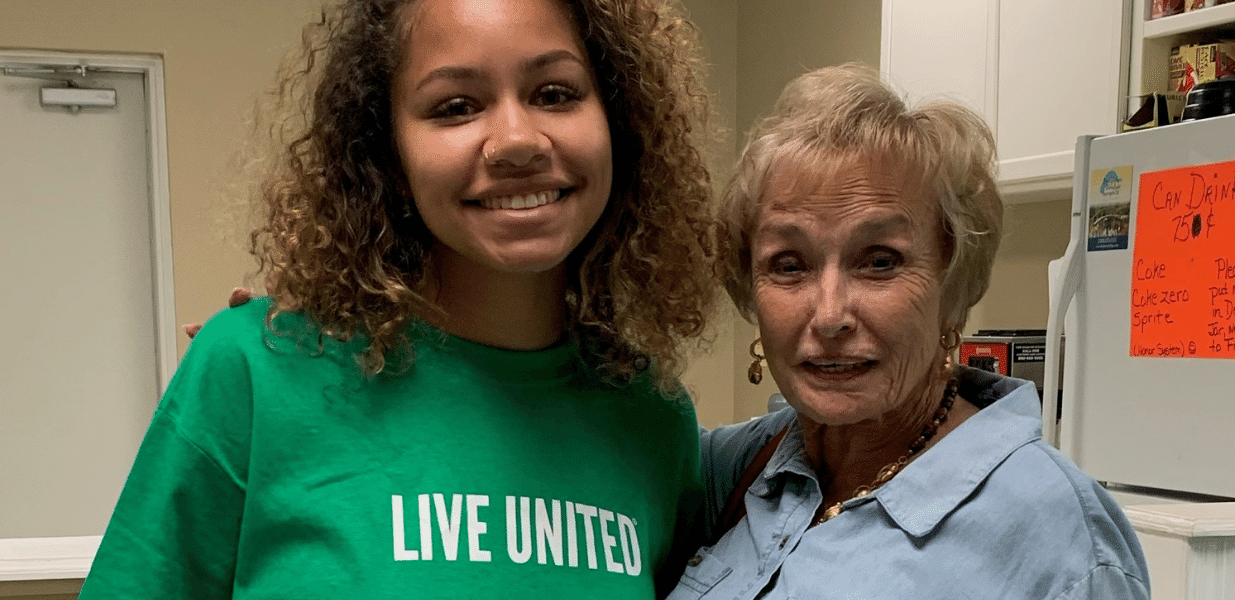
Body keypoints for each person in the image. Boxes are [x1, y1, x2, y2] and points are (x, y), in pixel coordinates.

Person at [80, 0, 718, 597]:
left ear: (618, 122)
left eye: (555, 94)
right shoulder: (252, 368)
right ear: (386, 152)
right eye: (455, 107)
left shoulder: (654, 422)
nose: (517, 140)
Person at [670, 64, 1149, 599]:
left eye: (878, 261)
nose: (830, 316)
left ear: (953, 278)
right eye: (788, 264)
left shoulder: (1056, 536)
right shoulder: (736, 469)